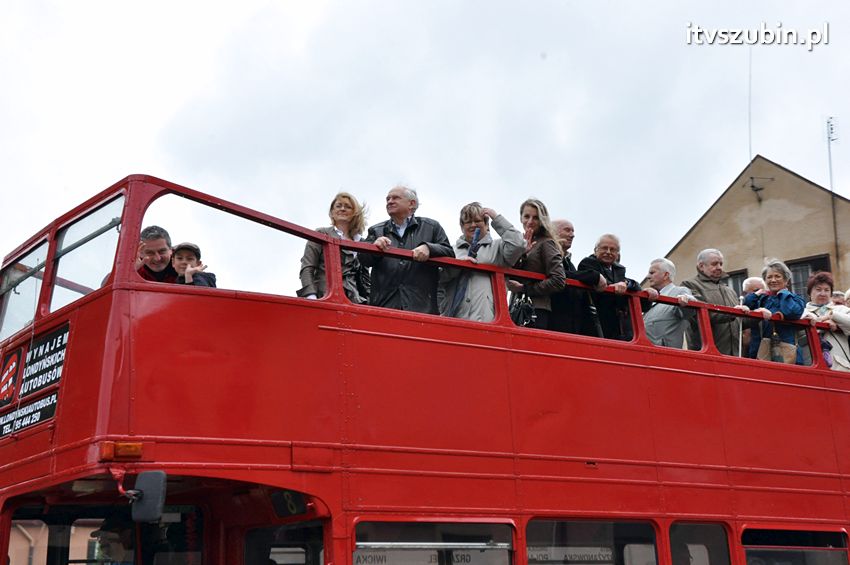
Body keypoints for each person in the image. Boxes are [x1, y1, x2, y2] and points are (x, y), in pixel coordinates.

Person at [360, 186, 454, 314]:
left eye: (395, 198)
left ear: (412, 204)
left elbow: (449, 253)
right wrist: (374, 248)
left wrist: (429, 247)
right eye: (387, 199)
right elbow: (363, 260)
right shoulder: (376, 230)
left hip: (421, 308)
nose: (389, 201)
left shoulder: (432, 227)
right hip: (384, 308)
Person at [440, 202, 524, 322]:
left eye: (478, 221)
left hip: (487, 319)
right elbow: (440, 278)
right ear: (462, 226)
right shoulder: (451, 250)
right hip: (453, 318)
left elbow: (519, 244)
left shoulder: (498, 247)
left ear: (486, 224)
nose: (473, 225)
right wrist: (458, 265)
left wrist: (497, 218)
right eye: (468, 222)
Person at [577, 234, 654, 340]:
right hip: (596, 326)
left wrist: (630, 285)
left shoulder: (618, 269)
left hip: (618, 328)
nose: (608, 252)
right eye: (604, 248)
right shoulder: (588, 264)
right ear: (595, 250)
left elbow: (630, 284)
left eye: (613, 250)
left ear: (617, 254)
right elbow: (604, 283)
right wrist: (619, 285)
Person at [297, 192, 370, 304]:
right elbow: (307, 267)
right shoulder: (321, 233)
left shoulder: (361, 242)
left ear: (355, 213)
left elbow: (365, 277)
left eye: (347, 206)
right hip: (325, 297)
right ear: (332, 212)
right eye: (338, 206)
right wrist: (312, 297)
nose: (342, 209)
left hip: (355, 300)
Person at [506, 199, 566, 330]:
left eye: (536, 218)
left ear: (542, 221)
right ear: (520, 218)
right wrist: (521, 252)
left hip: (537, 310)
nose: (530, 221)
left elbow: (559, 280)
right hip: (515, 306)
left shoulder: (546, 243)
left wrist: (525, 289)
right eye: (526, 216)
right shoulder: (520, 242)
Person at [548, 219, 607, 335]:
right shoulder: (547, 254)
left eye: (573, 231)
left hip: (572, 326)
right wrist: (593, 276)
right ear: (552, 232)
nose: (572, 235)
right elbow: (556, 274)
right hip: (552, 322)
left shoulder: (569, 263)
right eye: (567, 230)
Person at [682, 249, 744, 356]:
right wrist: (733, 313)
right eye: (714, 264)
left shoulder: (729, 290)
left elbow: (740, 322)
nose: (719, 267)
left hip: (734, 354)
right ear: (701, 266)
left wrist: (758, 314)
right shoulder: (689, 285)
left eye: (721, 264)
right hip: (707, 355)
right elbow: (702, 314)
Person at [743, 259, 805, 364]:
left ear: (786, 280)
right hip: (759, 350)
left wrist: (783, 293)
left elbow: (792, 312)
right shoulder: (762, 299)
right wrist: (756, 294)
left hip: (786, 352)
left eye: (777, 276)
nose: (773, 280)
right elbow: (747, 305)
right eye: (769, 277)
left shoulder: (794, 298)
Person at [802, 271, 850, 371]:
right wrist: (820, 325)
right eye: (818, 289)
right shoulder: (802, 313)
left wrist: (833, 316)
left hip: (840, 367)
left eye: (827, 290)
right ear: (810, 292)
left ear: (831, 293)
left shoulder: (840, 309)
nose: (823, 293)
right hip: (810, 366)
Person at [642, 258, 695, 348]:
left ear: (666, 275)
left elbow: (690, 308)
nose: (648, 276)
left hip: (666, 355)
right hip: (647, 353)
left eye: (652, 273)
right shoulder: (651, 297)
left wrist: (687, 299)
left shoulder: (679, 292)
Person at [742, 276, 766, 358]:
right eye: (756, 290)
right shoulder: (743, 306)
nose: (761, 292)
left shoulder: (766, 302)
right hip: (752, 349)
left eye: (763, 290)